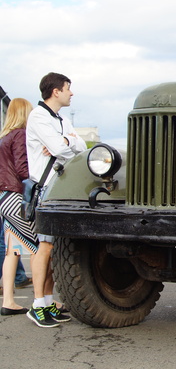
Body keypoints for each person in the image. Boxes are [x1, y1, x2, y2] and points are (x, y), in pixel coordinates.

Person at [26, 72, 86, 327]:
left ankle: (48, 301)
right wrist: (65, 144)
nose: (71, 93)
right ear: (56, 91)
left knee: (53, 249)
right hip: (45, 188)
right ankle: (38, 304)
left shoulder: (59, 119)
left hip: (57, 188)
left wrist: (66, 140)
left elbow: (80, 147)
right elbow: (62, 150)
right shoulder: (39, 116)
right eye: (68, 88)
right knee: (45, 247)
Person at [0, 98, 37, 316]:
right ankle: (42, 301)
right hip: (16, 197)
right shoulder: (20, 135)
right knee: (37, 248)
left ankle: (9, 301)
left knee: (13, 251)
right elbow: (23, 169)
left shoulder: (4, 137)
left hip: (4, 197)